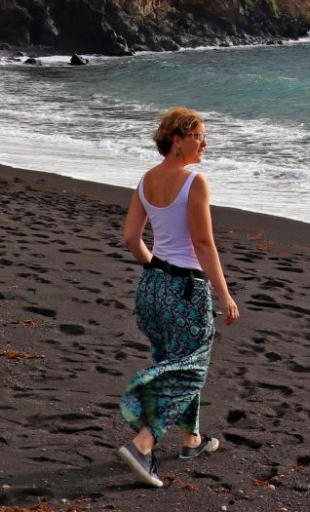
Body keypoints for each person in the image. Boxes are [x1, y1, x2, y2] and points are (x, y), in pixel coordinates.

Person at [116, 107, 240, 488]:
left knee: (178, 361)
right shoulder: (193, 182)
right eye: (200, 135)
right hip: (187, 289)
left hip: (152, 287)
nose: (205, 142)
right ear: (177, 139)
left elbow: (131, 239)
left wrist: (157, 269)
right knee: (192, 368)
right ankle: (143, 443)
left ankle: (191, 440)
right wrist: (224, 294)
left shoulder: (146, 180)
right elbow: (203, 243)